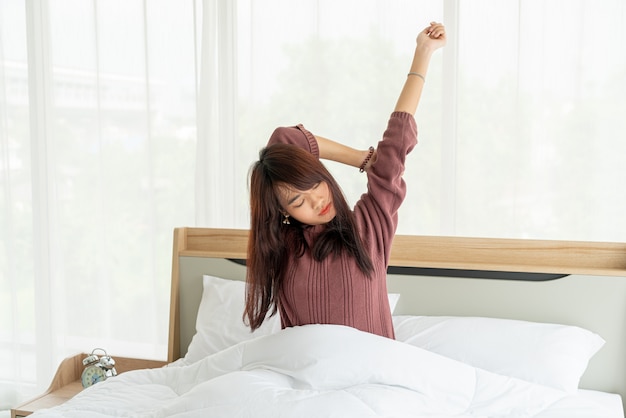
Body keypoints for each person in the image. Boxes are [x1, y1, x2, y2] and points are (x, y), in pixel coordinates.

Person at [245, 22, 447, 339]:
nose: (316, 200)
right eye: (297, 201)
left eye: (315, 184)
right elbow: (282, 140)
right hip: (307, 381)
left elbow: (395, 145)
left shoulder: (370, 226)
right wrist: (363, 160)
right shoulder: (284, 247)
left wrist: (423, 52)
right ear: (283, 212)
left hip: (372, 378)